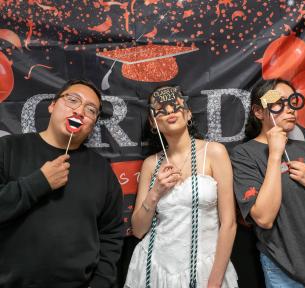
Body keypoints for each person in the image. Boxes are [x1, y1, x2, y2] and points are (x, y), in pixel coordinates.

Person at [0, 80, 124, 288]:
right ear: (52, 105)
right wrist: (39, 182)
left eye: (91, 110)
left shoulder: (102, 170)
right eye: (73, 100)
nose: (80, 111)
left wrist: (100, 283)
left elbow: (111, 233)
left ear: (93, 123)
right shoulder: (8, 148)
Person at [230, 78, 305, 288]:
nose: (289, 109)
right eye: (279, 103)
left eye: (292, 101)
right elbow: (264, 219)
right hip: (286, 268)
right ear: (259, 112)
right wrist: (275, 155)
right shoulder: (244, 154)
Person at [124, 86, 238, 288]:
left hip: (206, 267)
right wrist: (155, 192)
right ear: (153, 122)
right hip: (156, 268)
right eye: (161, 109)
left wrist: (214, 281)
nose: (169, 111)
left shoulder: (214, 153)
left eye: (175, 105)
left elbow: (228, 223)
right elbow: (139, 230)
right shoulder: (151, 164)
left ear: (188, 113)